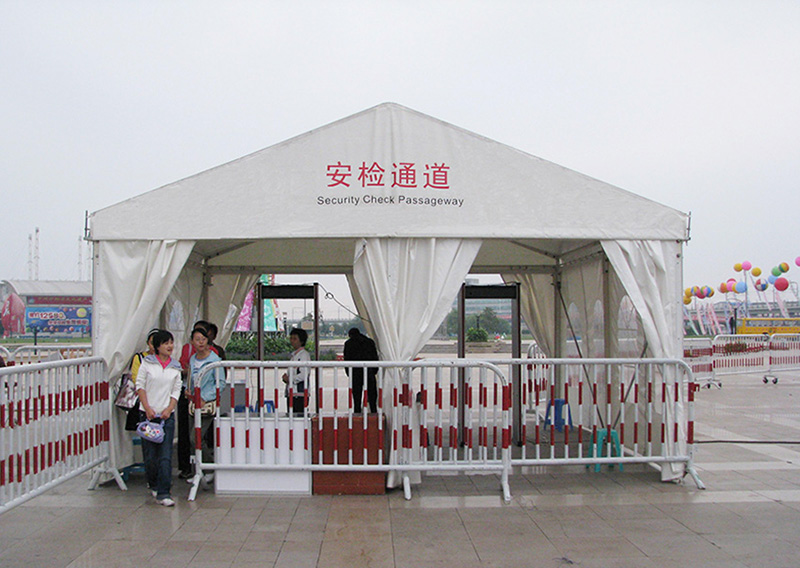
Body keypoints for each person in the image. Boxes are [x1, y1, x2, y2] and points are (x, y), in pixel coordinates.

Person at [135, 329, 182, 507]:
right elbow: (140, 386)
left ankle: (164, 492)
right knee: (151, 455)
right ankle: (153, 482)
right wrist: (147, 408)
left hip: (166, 416)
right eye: (165, 343)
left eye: (171, 342)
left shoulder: (175, 367)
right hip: (148, 415)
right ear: (157, 346)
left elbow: (176, 390)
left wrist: (169, 409)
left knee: (165, 455)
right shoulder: (147, 364)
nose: (170, 346)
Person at [188, 327, 224, 484]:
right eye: (197, 339)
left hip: (206, 404)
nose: (201, 342)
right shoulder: (192, 359)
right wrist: (189, 392)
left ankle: (209, 467)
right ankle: (198, 470)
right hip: (193, 403)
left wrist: (206, 397)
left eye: (203, 339)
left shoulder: (215, 360)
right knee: (192, 437)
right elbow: (191, 379)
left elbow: (221, 383)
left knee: (195, 437)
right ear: (192, 342)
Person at [125, 328, 159, 431]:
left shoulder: (165, 359)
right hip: (143, 397)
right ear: (148, 343)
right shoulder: (139, 357)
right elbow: (136, 378)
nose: (154, 346)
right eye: (152, 343)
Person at [343, 328, 379, 413]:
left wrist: (349, 373)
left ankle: (357, 413)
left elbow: (346, 359)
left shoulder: (349, 343)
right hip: (369, 371)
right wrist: (374, 370)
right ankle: (374, 412)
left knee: (357, 396)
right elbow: (375, 357)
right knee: (372, 395)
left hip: (355, 372)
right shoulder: (369, 342)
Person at [282, 328, 310, 415]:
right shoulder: (294, 355)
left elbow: (304, 374)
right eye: (291, 338)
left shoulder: (304, 355)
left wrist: (290, 379)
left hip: (300, 393)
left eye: (295, 339)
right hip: (292, 393)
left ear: (301, 341)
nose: (292, 341)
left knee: (298, 418)